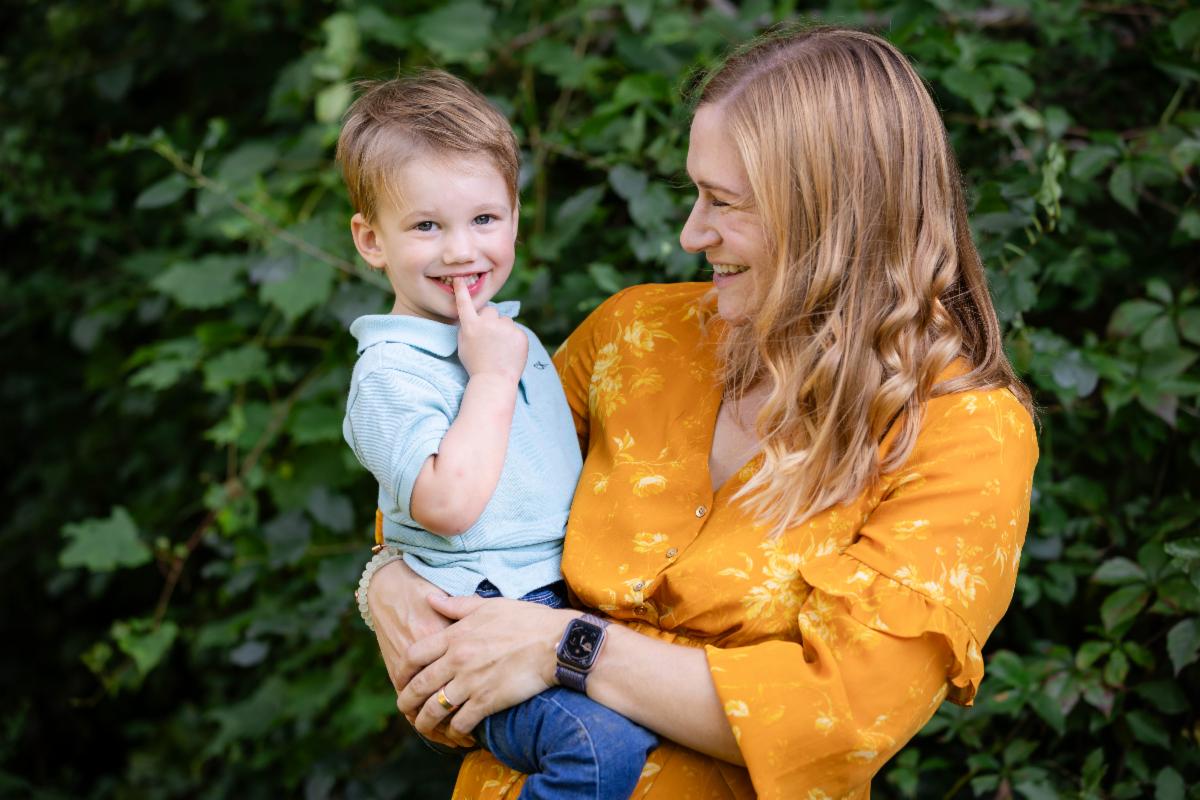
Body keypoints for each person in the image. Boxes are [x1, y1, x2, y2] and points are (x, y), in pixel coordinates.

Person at [362, 26, 1039, 800]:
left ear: (831, 216)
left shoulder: (963, 434)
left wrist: (566, 649)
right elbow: (452, 487)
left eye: (723, 203)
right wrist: (383, 581)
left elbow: (840, 721)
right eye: (694, 192)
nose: (691, 233)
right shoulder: (635, 335)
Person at [337, 70, 657, 800]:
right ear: (370, 240)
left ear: (515, 216)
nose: (460, 251)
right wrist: (487, 378)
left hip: (560, 605)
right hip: (475, 621)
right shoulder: (392, 371)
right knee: (598, 745)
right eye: (426, 226)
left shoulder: (502, 338)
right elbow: (447, 504)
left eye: (485, 219)